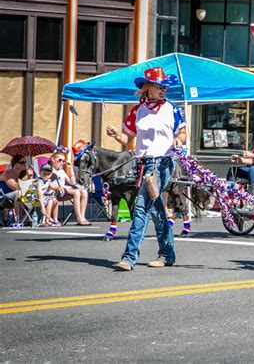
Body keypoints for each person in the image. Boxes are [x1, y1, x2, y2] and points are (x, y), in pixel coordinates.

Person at [106, 66, 186, 271]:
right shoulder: (137, 111)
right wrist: (116, 134)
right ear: (147, 87)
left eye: (165, 87)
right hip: (144, 164)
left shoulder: (172, 108)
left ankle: (129, 257)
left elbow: (183, 133)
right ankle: (167, 254)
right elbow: (127, 139)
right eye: (159, 86)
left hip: (163, 164)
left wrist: (178, 139)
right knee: (157, 210)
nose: (163, 90)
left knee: (141, 207)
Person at [50, 151, 91, 225]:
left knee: (84, 191)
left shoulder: (61, 171)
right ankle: (79, 218)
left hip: (65, 191)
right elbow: (50, 184)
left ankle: (82, 216)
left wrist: (71, 169)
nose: (62, 162)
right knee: (76, 192)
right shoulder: (49, 170)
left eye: (63, 161)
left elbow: (72, 183)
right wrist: (64, 187)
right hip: (55, 192)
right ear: (53, 159)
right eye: (60, 160)